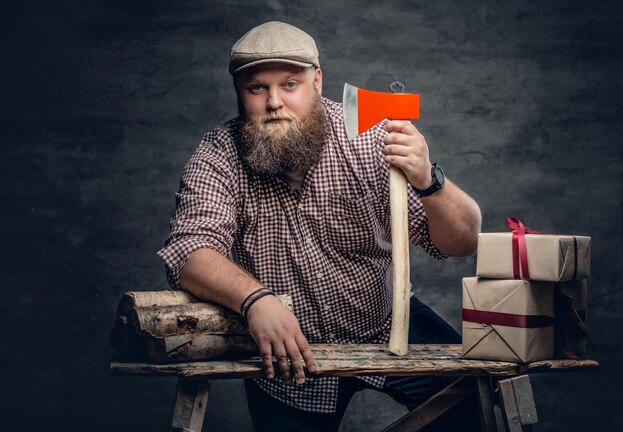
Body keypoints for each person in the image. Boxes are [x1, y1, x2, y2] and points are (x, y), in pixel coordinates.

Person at [158, 21, 482, 432]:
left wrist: (428, 181)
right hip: (286, 350)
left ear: (317, 80)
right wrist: (255, 300)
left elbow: (464, 242)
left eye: (290, 84)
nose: (275, 102)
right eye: (257, 88)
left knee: (478, 406)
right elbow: (189, 250)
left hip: (385, 319)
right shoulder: (218, 153)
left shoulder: (370, 137)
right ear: (239, 90)